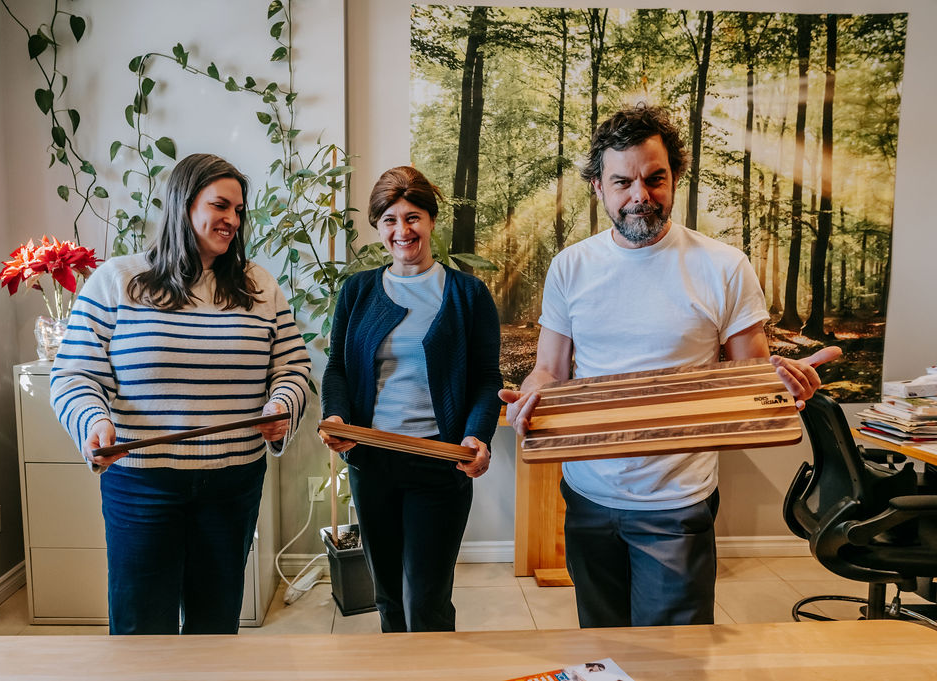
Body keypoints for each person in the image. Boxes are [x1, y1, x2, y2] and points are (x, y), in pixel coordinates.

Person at [500, 105, 840, 628]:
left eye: (654, 178)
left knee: (673, 659)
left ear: (674, 177)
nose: (640, 195)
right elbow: (549, 369)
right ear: (598, 186)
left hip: (676, 501)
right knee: (602, 648)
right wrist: (531, 393)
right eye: (622, 181)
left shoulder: (724, 267)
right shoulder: (571, 267)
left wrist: (781, 381)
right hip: (587, 493)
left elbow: (750, 380)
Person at [49, 153, 311, 635]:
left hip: (232, 484)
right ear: (182, 205)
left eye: (239, 209)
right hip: (142, 486)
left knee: (216, 625)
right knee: (141, 628)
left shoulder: (260, 287)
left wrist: (282, 406)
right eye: (220, 205)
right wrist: (94, 422)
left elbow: (293, 368)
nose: (232, 219)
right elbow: (73, 375)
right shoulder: (117, 282)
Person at [318, 166, 502, 632]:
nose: (403, 231)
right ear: (378, 227)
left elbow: (485, 379)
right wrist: (336, 416)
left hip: (439, 462)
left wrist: (478, 436)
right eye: (390, 220)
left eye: (413, 217)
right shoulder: (357, 291)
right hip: (372, 461)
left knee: (426, 598)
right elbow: (337, 369)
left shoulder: (468, 293)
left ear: (432, 221)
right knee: (387, 599)